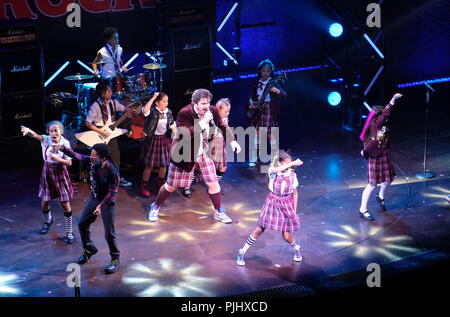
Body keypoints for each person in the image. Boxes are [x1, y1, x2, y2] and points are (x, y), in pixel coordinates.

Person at [147, 89, 241, 223]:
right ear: (195, 103)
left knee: (213, 183)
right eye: (203, 103)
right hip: (185, 153)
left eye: (208, 102)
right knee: (171, 186)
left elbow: (222, 125)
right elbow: (187, 134)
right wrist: (203, 122)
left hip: (203, 152)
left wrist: (232, 141)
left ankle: (219, 212)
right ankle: (155, 206)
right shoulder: (184, 113)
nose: (207, 106)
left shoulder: (212, 111)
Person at [60, 143, 121, 274]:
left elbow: (112, 193)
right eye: (91, 154)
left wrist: (100, 206)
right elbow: (76, 155)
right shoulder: (93, 161)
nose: (91, 157)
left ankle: (115, 258)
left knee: (109, 232)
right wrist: (62, 147)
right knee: (82, 224)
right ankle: (89, 249)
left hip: (107, 201)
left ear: (103, 158)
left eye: (94, 155)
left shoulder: (112, 172)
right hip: (95, 197)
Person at [236, 150, 303, 266]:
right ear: (279, 163)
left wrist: (294, 210)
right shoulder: (272, 172)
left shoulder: (292, 176)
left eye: (289, 162)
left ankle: (297, 250)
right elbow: (276, 169)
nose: (288, 165)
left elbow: (295, 193)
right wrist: (292, 163)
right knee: (260, 229)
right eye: (286, 163)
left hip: (286, 204)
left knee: (286, 235)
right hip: (272, 202)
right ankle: (242, 252)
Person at [21, 121, 75, 244]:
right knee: (45, 202)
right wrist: (29, 130)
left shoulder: (65, 143)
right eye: (51, 131)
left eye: (56, 130)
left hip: (60, 172)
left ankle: (69, 231)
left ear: (61, 131)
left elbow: (69, 163)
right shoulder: (46, 140)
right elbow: (36, 136)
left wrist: (57, 158)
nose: (53, 133)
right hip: (48, 172)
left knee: (65, 203)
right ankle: (48, 220)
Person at [359, 93, 403, 221]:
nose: (386, 114)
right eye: (383, 113)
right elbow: (386, 114)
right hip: (375, 156)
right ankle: (363, 209)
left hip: (383, 154)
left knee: (389, 178)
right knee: (372, 184)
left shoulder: (382, 125)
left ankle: (381, 195)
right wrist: (393, 99)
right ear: (379, 115)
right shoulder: (376, 123)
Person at [85, 81, 132, 187]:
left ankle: (117, 178)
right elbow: (88, 123)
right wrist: (102, 131)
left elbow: (124, 108)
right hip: (100, 133)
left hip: (111, 134)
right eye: (109, 91)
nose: (111, 93)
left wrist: (130, 110)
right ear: (102, 93)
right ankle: (100, 180)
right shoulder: (95, 106)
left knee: (116, 156)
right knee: (101, 158)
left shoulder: (113, 103)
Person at [183, 98, 232, 196]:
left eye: (228, 111)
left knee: (223, 167)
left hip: (219, 145)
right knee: (193, 168)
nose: (228, 113)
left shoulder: (225, 119)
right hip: (207, 145)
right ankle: (186, 187)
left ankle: (214, 185)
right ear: (218, 109)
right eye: (226, 111)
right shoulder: (209, 117)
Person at [246, 59, 287, 167]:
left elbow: (284, 95)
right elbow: (251, 95)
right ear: (260, 71)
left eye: (267, 71)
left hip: (269, 110)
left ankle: (274, 160)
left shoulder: (273, 82)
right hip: (259, 110)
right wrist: (251, 102)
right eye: (263, 71)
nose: (265, 73)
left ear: (270, 72)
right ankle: (254, 158)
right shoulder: (257, 82)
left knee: (271, 135)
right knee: (257, 135)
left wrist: (277, 91)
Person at [140, 92, 176, 197]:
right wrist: (154, 97)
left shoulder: (168, 112)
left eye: (167, 101)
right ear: (157, 103)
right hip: (153, 139)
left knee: (164, 164)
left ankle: (160, 184)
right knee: (149, 165)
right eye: (164, 101)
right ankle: (144, 186)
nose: (166, 103)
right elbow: (145, 110)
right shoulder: (152, 111)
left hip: (164, 139)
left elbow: (172, 126)